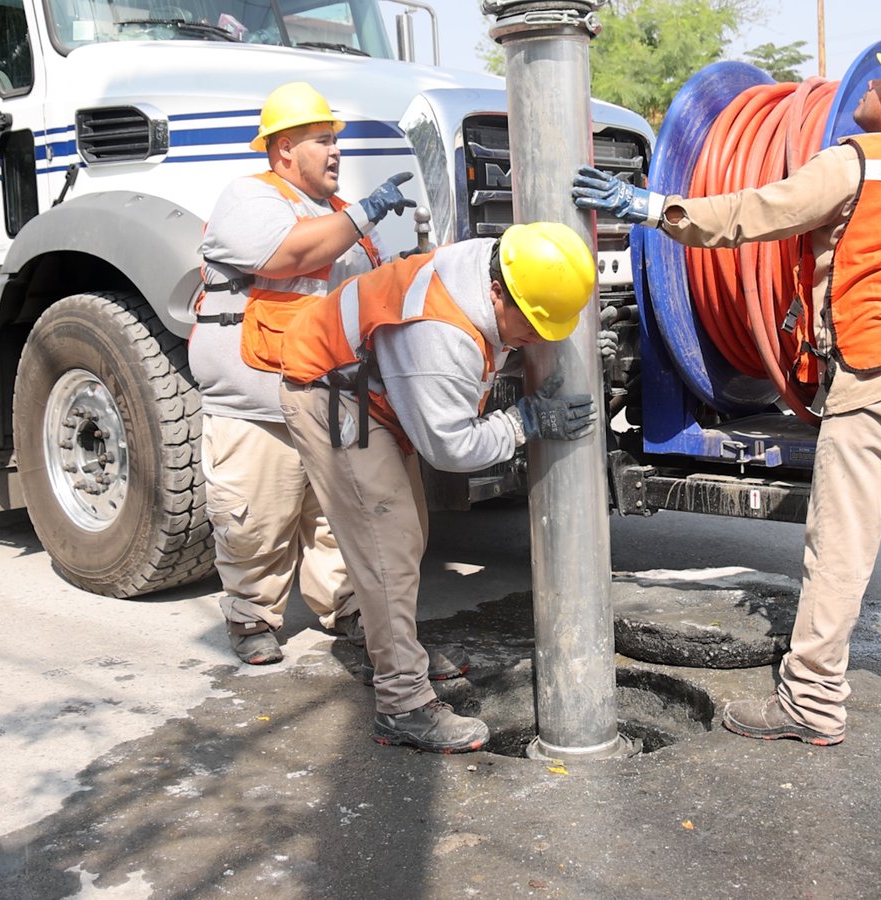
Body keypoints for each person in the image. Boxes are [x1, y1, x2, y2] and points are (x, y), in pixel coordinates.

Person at [573, 40, 881, 745]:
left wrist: (654, 207)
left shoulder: (851, 164)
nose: (871, 84)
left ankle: (810, 701)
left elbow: (756, 212)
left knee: (838, 550)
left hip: (876, 384)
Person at [276, 222, 598, 752]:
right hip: (331, 393)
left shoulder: (495, 265)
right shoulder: (438, 331)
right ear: (498, 292)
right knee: (390, 547)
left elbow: (493, 344)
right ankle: (402, 704)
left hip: (369, 389)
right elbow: (449, 449)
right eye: (534, 326)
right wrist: (523, 424)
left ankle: (389, 647)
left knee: (408, 536)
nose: (537, 339)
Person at [192, 81, 417, 667]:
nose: (336, 151)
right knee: (256, 520)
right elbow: (291, 255)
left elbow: (381, 290)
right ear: (284, 149)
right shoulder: (250, 199)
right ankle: (251, 617)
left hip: (338, 399)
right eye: (322, 140)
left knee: (340, 522)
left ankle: (346, 608)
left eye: (335, 140)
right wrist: (368, 214)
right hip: (257, 401)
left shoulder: (345, 217)